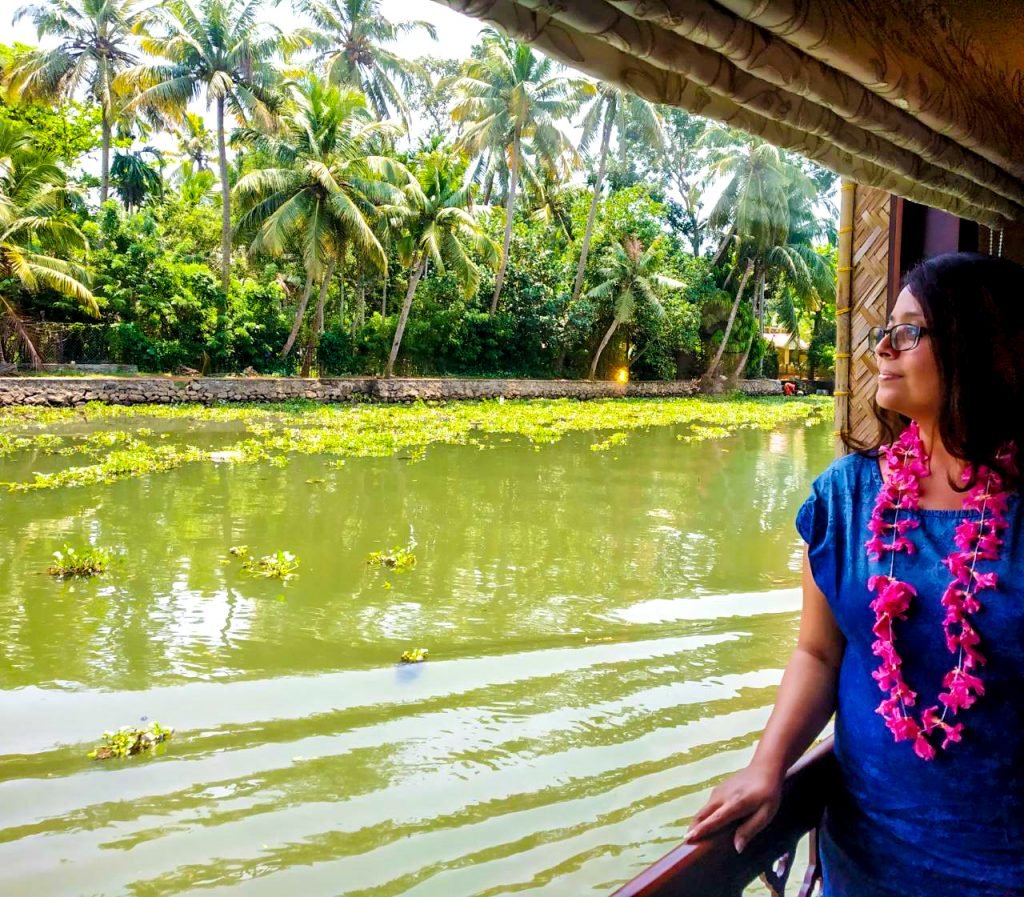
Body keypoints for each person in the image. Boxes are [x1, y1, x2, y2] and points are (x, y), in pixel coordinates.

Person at [684, 252, 1024, 896]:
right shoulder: (844, 499)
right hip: (867, 857)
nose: (883, 350)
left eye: (910, 332)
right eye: (883, 333)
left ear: (981, 345)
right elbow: (817, 651)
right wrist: (768, 765)